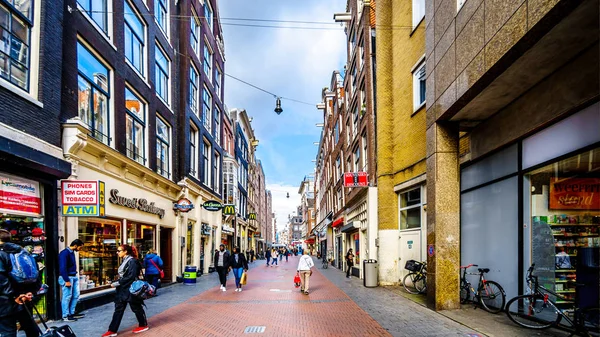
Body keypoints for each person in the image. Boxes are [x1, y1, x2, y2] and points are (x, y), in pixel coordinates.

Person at [0, 229, 41, 337]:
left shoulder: (1, 254)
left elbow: (1, 279)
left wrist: (14, 296)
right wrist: (31, 292)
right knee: (30, 326)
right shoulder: (24, 253)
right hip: (25, 297)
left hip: (7, 300)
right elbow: (35, 273)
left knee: (7, 330)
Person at [101, 245, 148, 337]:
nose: (117, 252)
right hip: (122, 289)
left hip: (131, 289)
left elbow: (131, 276)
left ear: (125, 251)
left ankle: (143, 325)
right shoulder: (125, 260)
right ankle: (112, 330)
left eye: (119, 251)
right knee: (118, 309)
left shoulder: (133, 261)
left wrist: (116, 283)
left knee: (136, 308)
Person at [58, 238, 84, 321]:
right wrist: (66, 280)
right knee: (67, 296)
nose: (80, 249)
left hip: (73, 276)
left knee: (75, 295)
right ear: (75, 245)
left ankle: (71, 313)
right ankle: (65, 316)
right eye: (80, 247)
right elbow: (62, 268)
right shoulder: (64, 253)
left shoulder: (71, 252)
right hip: (68, 277)